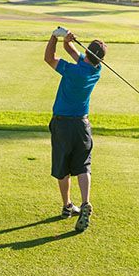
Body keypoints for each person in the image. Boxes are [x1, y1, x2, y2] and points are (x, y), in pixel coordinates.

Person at [44, 27, 105, 232]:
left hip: (62, 124)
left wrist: (54, 36)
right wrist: (68, 41)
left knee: (63, 167)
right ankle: (85, 202)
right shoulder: (96, 70)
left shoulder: (72, 70)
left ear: (87, 52)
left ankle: (67, 205)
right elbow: (71, 51)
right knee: (83, 165)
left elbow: (49, 58)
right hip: (82, 125)